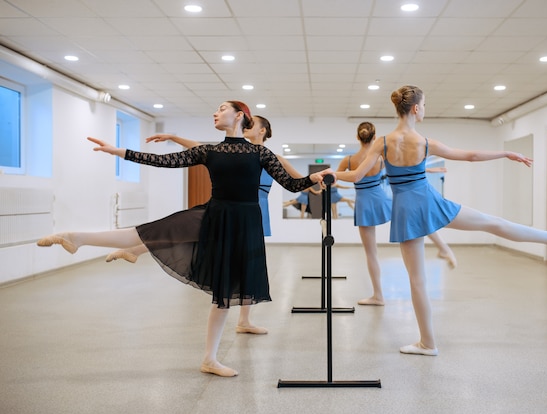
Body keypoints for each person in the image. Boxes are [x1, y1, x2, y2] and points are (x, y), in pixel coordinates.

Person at [38, 100, 333, 376]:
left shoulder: (261, 154)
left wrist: (313, 179)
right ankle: (76, 237)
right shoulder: (209, 150)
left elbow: (292, 184)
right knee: (146, 232)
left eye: (221, 109)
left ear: (240, 115)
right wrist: (119, 152)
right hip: (214, 215)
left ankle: (209, 359)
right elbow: (163, 161)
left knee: (225, 292)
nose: (215, 114)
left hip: (245, 223)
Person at [334, 85, 547, 357]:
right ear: (416, 108)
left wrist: (331, 174)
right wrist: (506, 153)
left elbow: (357, 175)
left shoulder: (383, 142)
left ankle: (428, 344)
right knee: (493, 223)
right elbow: (471, 156)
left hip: (406, 211)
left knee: (417, 281)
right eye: (425, 105)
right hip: (431, 203)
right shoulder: (425, 143)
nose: (425, 109)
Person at [105, 115, 296, 336]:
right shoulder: (232, 151)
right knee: (201, 236)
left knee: (248, 261)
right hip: (234, 207)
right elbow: (198, 148)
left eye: (254, 124)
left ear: (263, 131)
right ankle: (139, 248)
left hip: (254, 208)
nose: (248, 126)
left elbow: (298, 181)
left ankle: (244, 320)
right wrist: (174, 137)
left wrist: (318, 185)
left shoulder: (272, 157)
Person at [336, 122, 457, 307]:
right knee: (418, 218)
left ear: (357, 137)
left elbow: (336, 178)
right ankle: (443, 247)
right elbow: (403, 168)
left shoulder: (349, 160)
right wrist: (433, 169)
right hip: (383, 200)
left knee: (371, 254)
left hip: (364, 204)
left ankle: (378, 296)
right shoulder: (381, 157)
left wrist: (331, 180)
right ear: (374, 136)